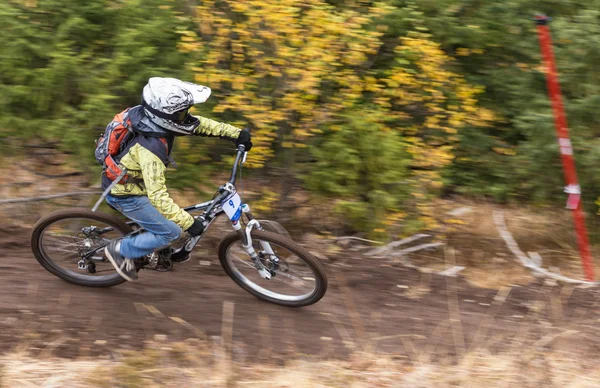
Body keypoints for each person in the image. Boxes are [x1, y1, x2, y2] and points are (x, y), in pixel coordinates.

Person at [103, 77, 252, 281]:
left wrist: (236, 134)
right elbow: (158, 196)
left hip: (138, 184)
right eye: (181, 113)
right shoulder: (151, 149)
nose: (186, 116)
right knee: (171, 231)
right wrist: (189, 223)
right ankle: (120, 250)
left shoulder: (152, 119)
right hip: (125, 194)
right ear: (164, 115)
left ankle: (149, 245)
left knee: (172, 219)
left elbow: (199, 125)